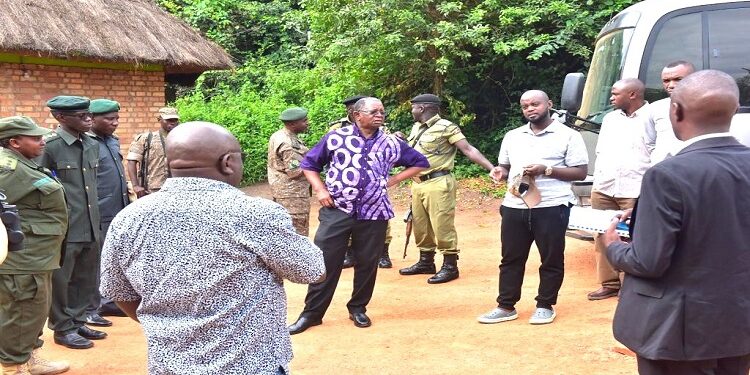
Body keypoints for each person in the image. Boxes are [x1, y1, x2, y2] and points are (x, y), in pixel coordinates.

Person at [99, 122, 325, 375]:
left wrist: (174, 327)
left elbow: (119, 293)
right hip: (251, 366)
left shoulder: (128, 219)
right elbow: (312, 271)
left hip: (169, 366)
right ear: (227, 162)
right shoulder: (255, 214)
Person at [602, 70, 750, 375]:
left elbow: (649, 261)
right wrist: (647, 215)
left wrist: (613, 246)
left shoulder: (668, 174)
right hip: (738, 323)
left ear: (676, 110)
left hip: (678, 332)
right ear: (733, 111)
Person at [288, 97, 429, 334]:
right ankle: (312, 314)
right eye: (374, 111)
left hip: (374, 213)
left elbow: (420, 162)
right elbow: (310, 164)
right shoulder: (336, 138)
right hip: (337, 210)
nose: (380, 115)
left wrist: (393, 180)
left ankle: (358, 308)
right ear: (357, 115)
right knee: (325, 262)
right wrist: (321, 190)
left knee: (367, 263)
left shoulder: (391, 142)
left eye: (382, 111)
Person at [478, 90, 588, 325]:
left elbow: (580, 171)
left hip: (551, 206)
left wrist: (546, 169)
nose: (530, 109)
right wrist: (500, 172)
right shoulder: (513, 136)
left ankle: (545, 305)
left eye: (535, 104)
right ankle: (506, 305)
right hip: (514, 205)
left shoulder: (568, 136)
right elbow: (504, 166)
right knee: (510, 258)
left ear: (549, 104)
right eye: (525, 105)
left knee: (551, 258)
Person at [399, 93, 495, 284]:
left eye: (413, 107)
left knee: (442, 224)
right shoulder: (417, 127)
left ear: (423, 108)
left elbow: (468, 149)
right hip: (418, 183)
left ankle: (450, 266)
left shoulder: (447, 127)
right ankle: (426, 262)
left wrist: (491, 168)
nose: (412, 111)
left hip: (438, 182)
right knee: (420, 224)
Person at [0, 116, 70, 375]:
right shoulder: (7, 169)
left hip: (38, 255)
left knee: (34, 310)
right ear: (15, 142)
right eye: (35, 138)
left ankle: (31, 357)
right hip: (22, 258)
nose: (43, 141)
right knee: (21, 313)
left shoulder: (23, 163)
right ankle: (12, 367)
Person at [38, 96, 107, 349]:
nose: (89, 119)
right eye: (82, 116)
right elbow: (39, 186)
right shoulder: (50, 146)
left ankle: (78, 321)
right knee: (62, 280)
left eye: (89, 114)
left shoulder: (90, 143)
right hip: (65, 225)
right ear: (60, 118)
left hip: (90, 221)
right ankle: (62, 328)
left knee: (85, 277)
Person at [587, 78, 651, 301]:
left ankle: (631, 286)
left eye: (615, 94)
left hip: (636, 188)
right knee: (602, 234)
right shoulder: (610, 118)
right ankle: (609, 283)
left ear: (632, 94)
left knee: (636, 238)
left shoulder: (653, 117)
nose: (611, 98)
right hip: (605, 186)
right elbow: (601, 151)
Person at [329, 95, 395, 269]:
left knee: (379, 216)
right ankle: (349, 253)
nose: (352, 111)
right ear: (351, 112)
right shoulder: (337, 128)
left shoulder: (379, 128)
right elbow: (330, 153)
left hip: (373, 181)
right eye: (350, 108)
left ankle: (383, 253)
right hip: (346, 183)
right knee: (347, 215)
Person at [86, 99, 129, 323]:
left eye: (117, 118)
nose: (115, 123)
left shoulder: (112, 141)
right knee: (96, 259)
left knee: (113, 257)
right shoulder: (86, 143)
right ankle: (94, 307)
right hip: (98, 211)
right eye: (109, 119)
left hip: (118, 208)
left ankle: (109, 301)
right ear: (92, 119)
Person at [267, 107, 312, 236]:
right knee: (298, 233)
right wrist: (315, 162)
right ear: (292, 124)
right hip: (293, 196)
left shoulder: (279, 134)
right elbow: (295, 171)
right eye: (304, 121)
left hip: (282, 191)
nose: (307, 123)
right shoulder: (288, 144)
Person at [647, 60, 696, 164]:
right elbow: (649, 143)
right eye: (666, 81)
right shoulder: (655, 108)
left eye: (678, 79)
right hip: (664, 172)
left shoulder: (708, 106)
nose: (671, 85)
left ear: (693, 78)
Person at [126, 107, 179, 198]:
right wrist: (135, 186)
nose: (172, 122)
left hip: (176, 189)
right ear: (159, 119)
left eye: (175, 120)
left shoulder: (182, 139)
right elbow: (131, 161)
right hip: (152, 191)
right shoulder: (146, 138)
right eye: (168, 120)